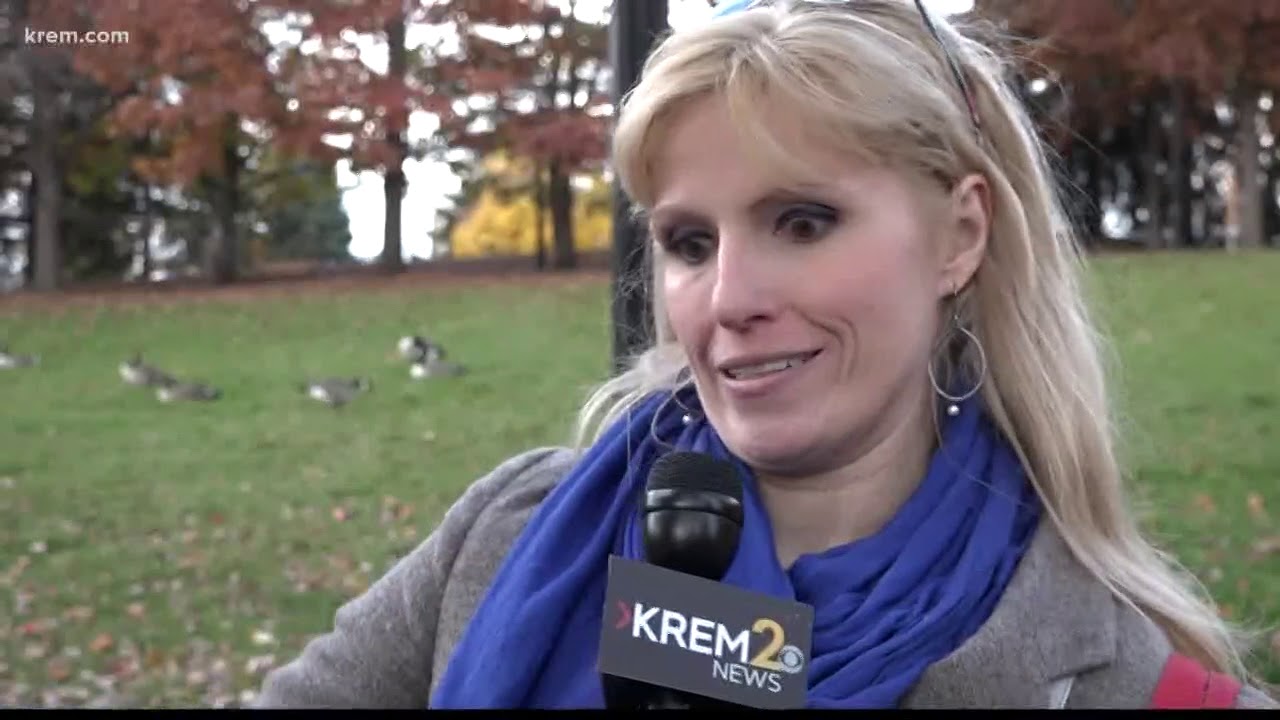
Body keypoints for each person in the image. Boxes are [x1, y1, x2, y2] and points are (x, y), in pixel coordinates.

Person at [253, 0, 1278, 709]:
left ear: (959, 236)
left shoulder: (1120, 682)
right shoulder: (507, 537)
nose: (729, 300)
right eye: (689, 243)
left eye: (802, 221)